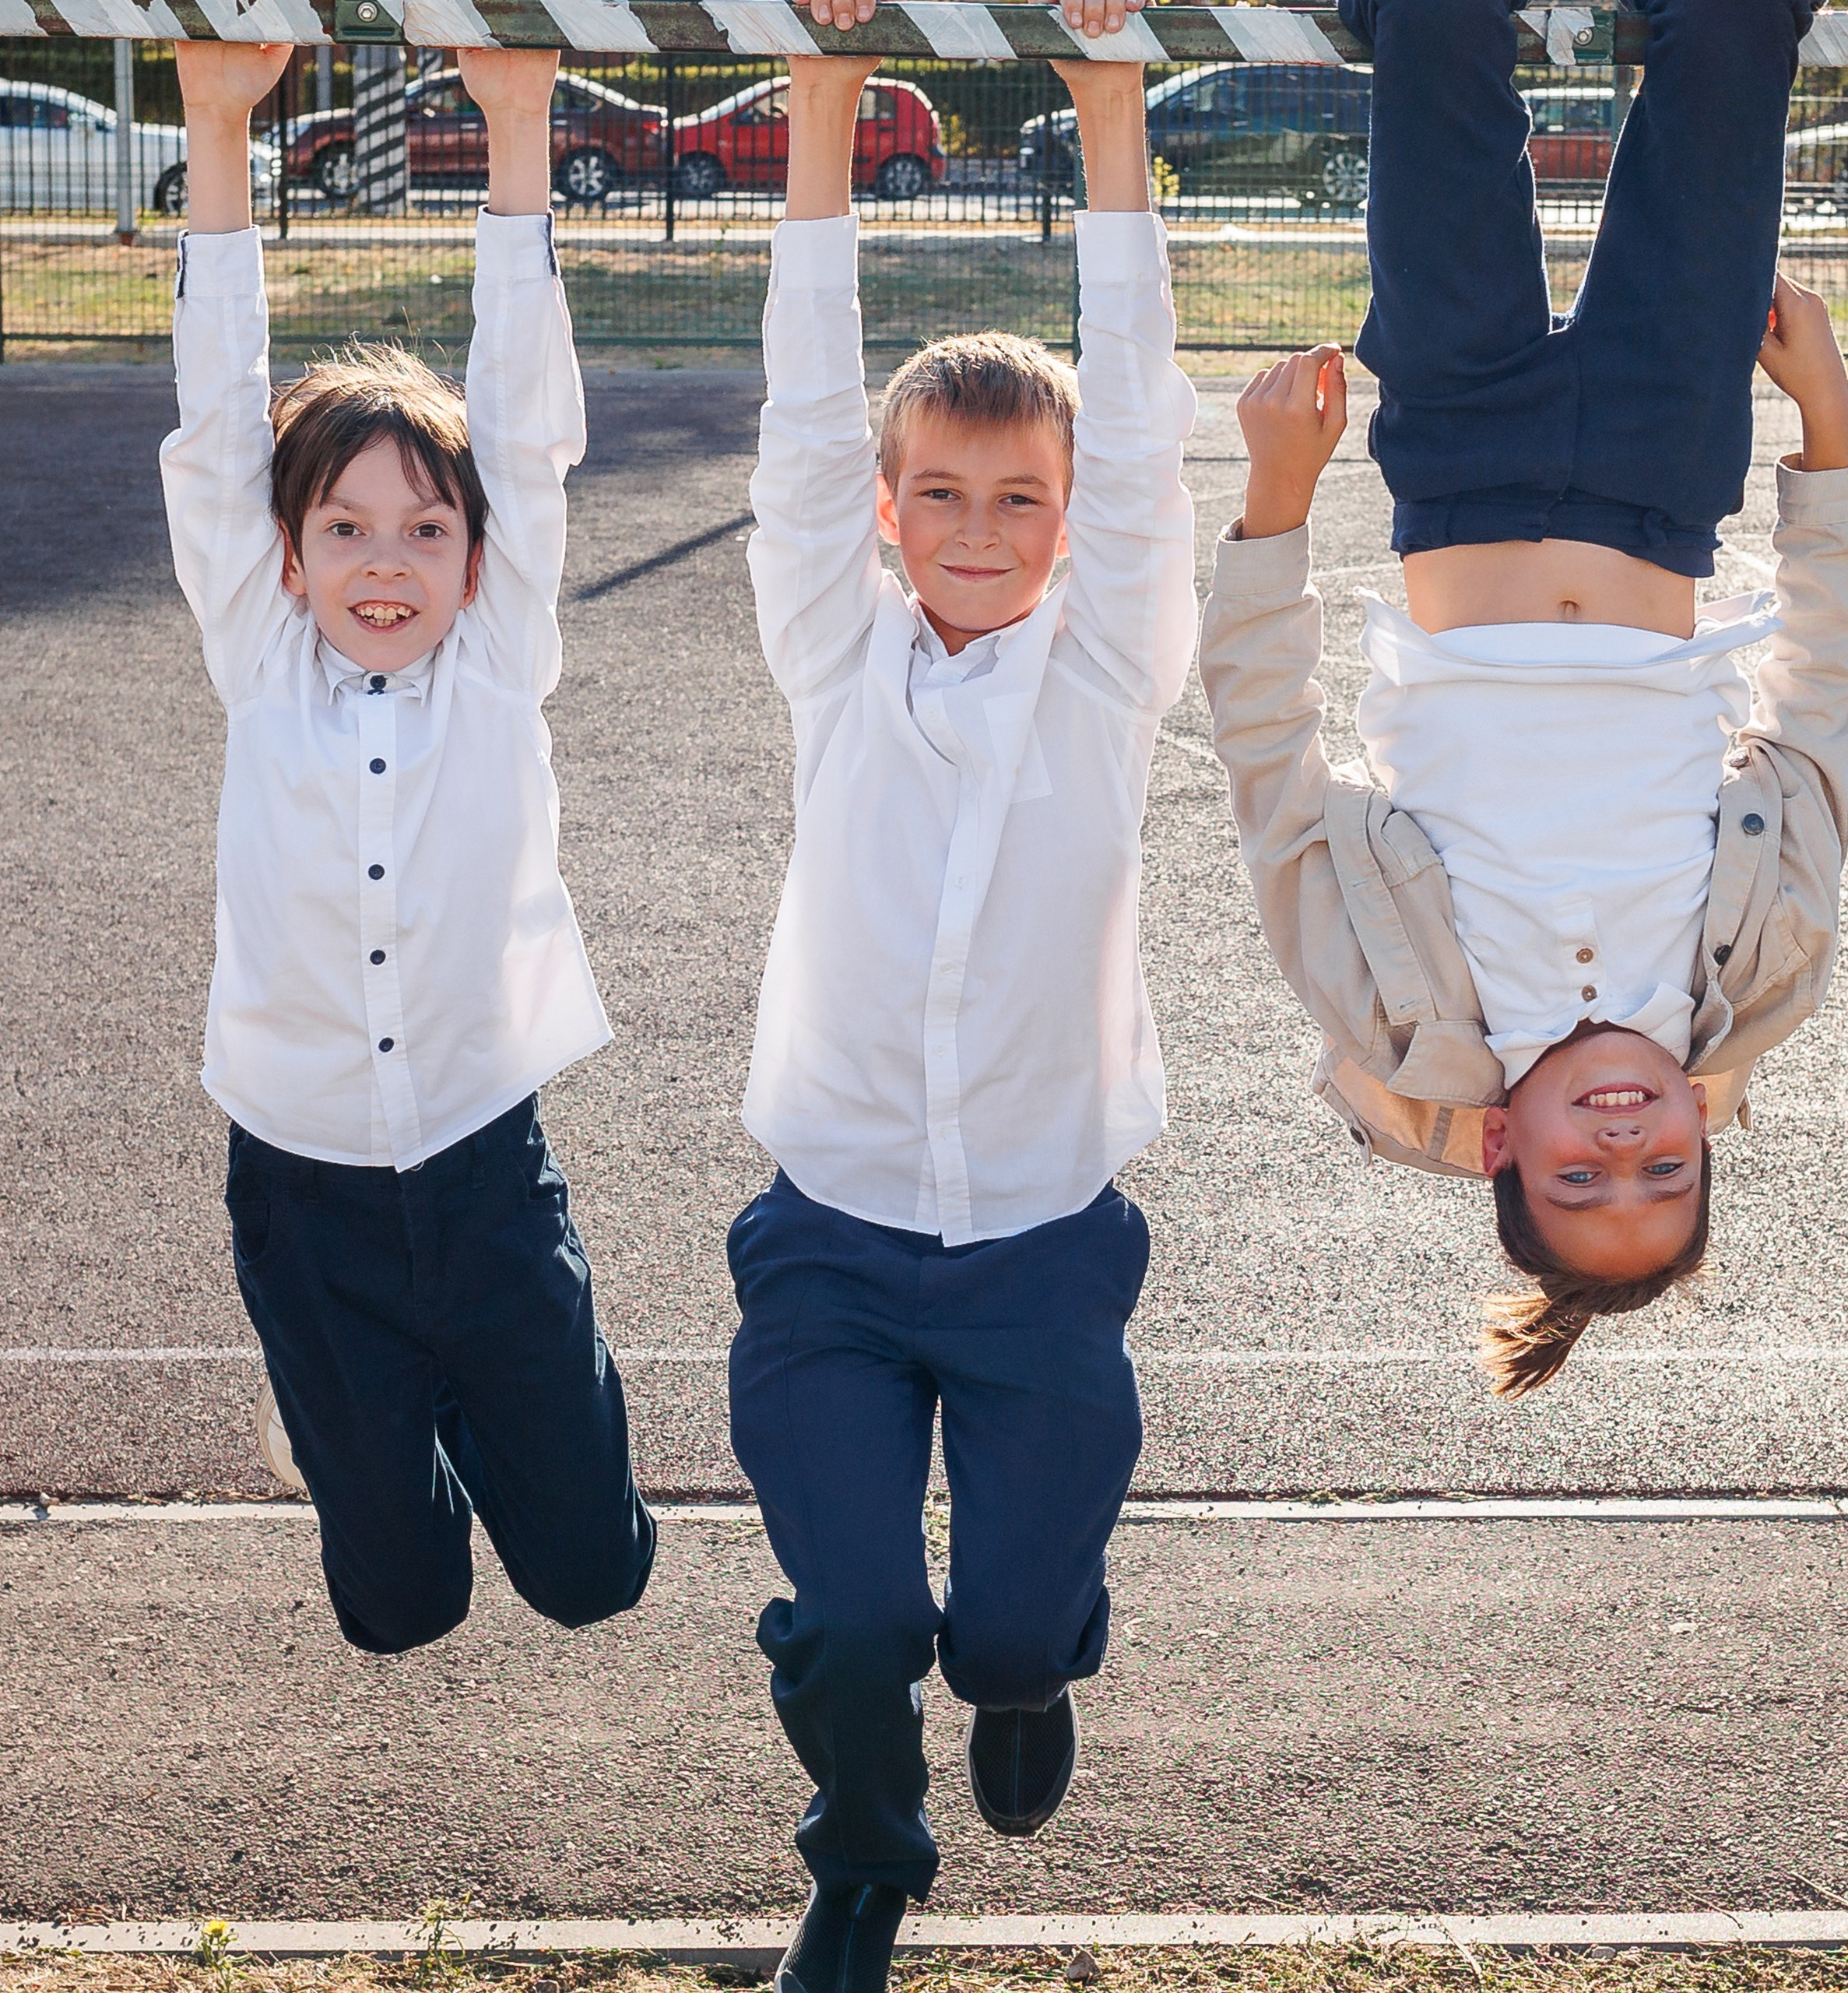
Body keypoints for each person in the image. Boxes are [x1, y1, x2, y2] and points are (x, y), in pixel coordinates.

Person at [1196, 0, 1848, 1395]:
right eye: (1665, 1168)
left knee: (1435, 30)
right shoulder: (1762, 975)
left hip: (1458, 460)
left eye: (1587, 1176)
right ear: (1706, 1129)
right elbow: (1821, 703)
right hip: (1666, 465)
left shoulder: (1394, 1017)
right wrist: (1830, 428)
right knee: (1739, 34)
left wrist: (1275, 504)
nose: (1625, 1139)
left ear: (1506, 1149)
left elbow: (1270, 765)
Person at [727, 47, 1196, 1993]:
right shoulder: (835, 656)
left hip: (1037, 1246)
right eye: (941, 494)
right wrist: (819, 91)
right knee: (848, 1620)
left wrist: (1107, 99)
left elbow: (1152, 437)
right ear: (889, 517)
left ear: (1071, 524)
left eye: (1020, 496)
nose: (979, 523)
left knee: (1000, 1626)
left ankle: (1024, 1667)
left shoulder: (1104, 679)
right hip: (829, 1236)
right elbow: (803, 418)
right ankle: (861, 1854)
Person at [160, 39, 654, 1650]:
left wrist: (519, 124)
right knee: (397, 1606)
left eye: (426, 528)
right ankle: (361, 1424)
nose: (389, 562)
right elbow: (214, 415)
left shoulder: (500, 657)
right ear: (287, 556)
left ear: (473, 552)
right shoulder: (262, 651)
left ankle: (466, 1399)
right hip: (303, 1191)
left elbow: (521, 421)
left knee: (596, 1573)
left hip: (480, 1162)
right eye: (347, 530)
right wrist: (222, 123)